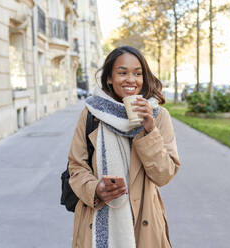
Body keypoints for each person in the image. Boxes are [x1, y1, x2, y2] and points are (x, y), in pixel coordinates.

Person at [68, 46, 180, 248]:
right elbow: (76, 167)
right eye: (122, 73)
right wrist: (95, 189)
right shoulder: (92, 114)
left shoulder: (159, 116)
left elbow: (164, 175)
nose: (131, 79)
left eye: (138, 73)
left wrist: (149, 130)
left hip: (145, 225)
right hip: (97, 218)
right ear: (109, 78)